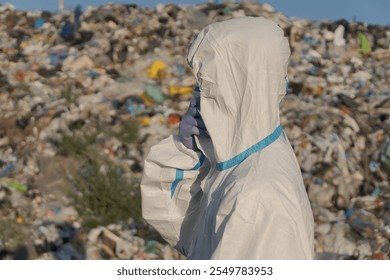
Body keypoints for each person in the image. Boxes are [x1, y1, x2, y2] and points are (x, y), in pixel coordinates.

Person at [141, 16, 314, 259]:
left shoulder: (257, 195)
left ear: (237, 86)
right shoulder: (238, 164)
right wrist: (187, 154)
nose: (198, 95)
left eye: (205, 83)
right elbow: (182, 228)